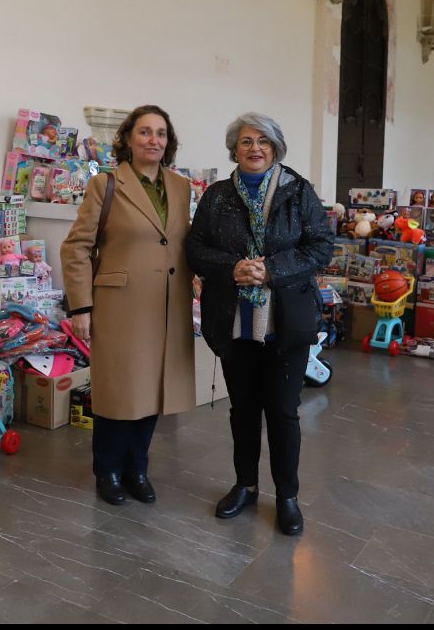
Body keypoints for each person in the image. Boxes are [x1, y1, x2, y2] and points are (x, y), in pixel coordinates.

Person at [185, 113, 333, 535]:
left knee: (283, 411)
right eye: (247, 141)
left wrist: (272, 269)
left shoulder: (298, 191)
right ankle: (245, 486)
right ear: (235, 149)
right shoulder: (216, 196)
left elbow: (321, 246)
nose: (255, 148)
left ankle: (287, 496)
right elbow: (195, 248)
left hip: (286, 320)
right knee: (244, 410)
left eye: (263, 141)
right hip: (234, 320)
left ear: (275, 147)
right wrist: (232, 267)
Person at [61, 105, 195, 506]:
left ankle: (138, 468)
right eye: (145, 132)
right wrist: (81, 308)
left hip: (167, 305)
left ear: (169, 142)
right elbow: (76, 248)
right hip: (120, 305)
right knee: (119, 392)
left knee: (153, 389)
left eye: (161, 133)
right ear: (129, 139)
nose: (153, 140)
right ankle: (108, 470)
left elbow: (180, 243)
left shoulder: (180, 187)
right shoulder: (106, 185)